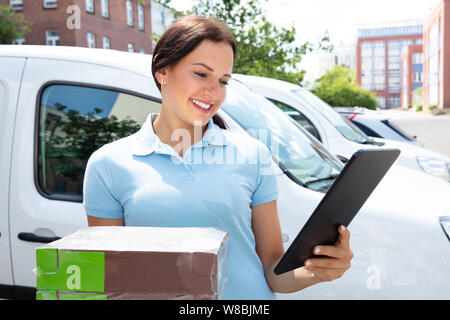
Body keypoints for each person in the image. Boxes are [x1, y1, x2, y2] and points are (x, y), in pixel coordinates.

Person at [83, 15, 353, 300]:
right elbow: (111, 277)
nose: (214, 92)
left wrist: (317, 270)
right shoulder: (108, 165)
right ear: (162, 70)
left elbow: (273, 270)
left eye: (223, 80)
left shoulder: (252, 154)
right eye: (201, 74)